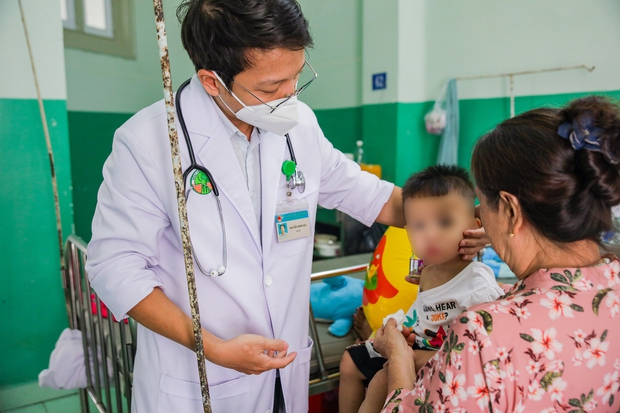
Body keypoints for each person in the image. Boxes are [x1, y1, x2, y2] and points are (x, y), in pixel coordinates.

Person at [374, 96, 620, 413]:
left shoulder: (483, 333)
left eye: (481, 204)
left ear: (509, 209)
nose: (478, 217)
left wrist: (398, 357)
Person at [339, 166, 504, 413]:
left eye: (445, 222)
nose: (431, 235)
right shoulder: (426, 272)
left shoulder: (477, 282)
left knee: (381, 381)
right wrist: (399, 329)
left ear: (474, 226)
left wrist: (403, 353)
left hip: (451, 356)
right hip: (418, 343)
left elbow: (485, 351)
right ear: (407, 233)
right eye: (419, 226)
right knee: (349, 362)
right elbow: (423, 315)